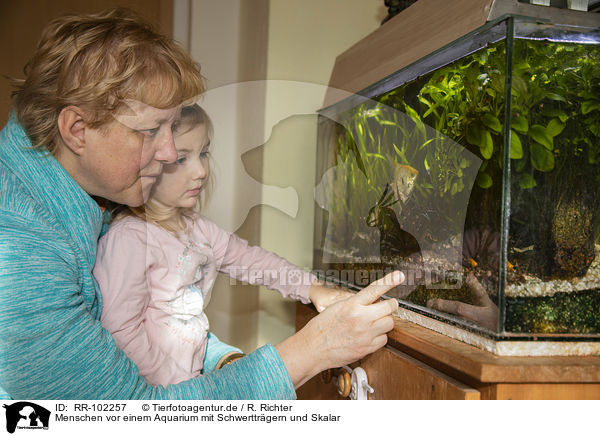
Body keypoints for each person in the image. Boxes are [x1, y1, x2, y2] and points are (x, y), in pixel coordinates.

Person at [0, 8, 402, 400]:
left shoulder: (88, 199)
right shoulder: (19, 253)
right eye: (151, 130)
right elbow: (127, 417)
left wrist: (216, 355)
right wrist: (315, 349)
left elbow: (171, 315)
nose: (169, 152)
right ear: (77, 130)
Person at [94, 104, 350, 387]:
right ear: (146, 163)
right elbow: (120, 331)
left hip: (192, 385)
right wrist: (179, 386)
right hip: (155, 395)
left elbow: (253, 261)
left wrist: (311, 288)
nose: (201, 170)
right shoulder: (129, 239)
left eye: (203, 153)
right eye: (181, 159)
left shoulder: (199, 230)